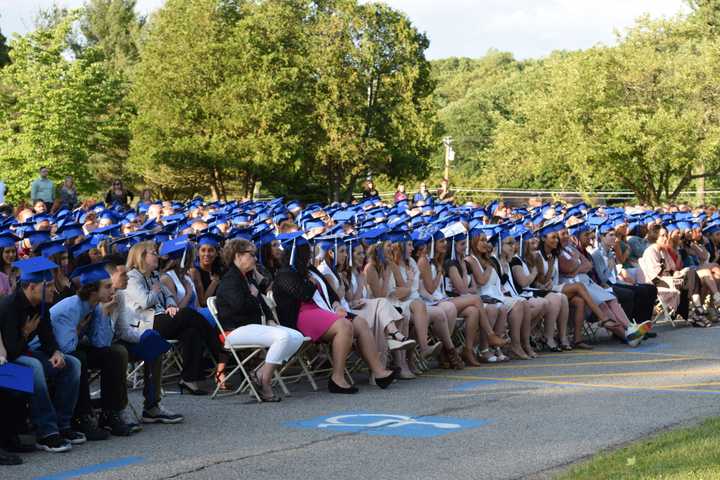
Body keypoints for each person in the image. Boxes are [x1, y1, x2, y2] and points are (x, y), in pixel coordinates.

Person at [273, 234, 395, 393]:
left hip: (321, 310)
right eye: (306, 253)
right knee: (344, 326)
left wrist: (337, 304)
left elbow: (329, 291)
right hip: (300, 316)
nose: (310, 255)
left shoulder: (309, 269)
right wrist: (310, 283)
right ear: (297, 254)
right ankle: (337, 378)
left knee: (360, 323)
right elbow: (303, 294)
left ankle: (379, 372)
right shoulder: (284, 274)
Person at [0, 257, 82, 453]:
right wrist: (26, 333)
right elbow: (11, 351)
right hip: (7, 362)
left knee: (72, 364)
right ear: (31, 287)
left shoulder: (41, 305)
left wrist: (55, 352)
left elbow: (47, 336)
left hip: (23, 353)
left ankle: (63, 425)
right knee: (34, 368)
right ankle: (47, 432)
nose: (54, 290)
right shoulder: (9, 306)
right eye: (48, 285)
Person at [124, 241, 222, 396]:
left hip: (161, 318)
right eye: (153, 253)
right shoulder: (132, 277)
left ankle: (189, 379)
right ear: (141, 256)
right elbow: (145, 301)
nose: (158, 256)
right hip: (145, 324)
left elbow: (169, 296)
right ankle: (220, 352)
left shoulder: (154, 275)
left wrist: (170, 305)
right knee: (187, 314)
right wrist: (156, 291)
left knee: (191, 332)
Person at [215, 239, 304, 401]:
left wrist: (270, 319)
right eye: (252, 255)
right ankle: (265, 382)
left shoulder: (247, 277)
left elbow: (262, 302)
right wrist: (253, 295)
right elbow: (238, 308)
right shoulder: (230, 279)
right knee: (283, 337)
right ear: (239, 256)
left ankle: (259, 372)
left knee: (296, 337)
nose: (255, 259)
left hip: (252, 327)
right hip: (234, 330)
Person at [89, 255, 171, 427]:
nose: (127, 278)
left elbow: (123, 329)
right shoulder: (95, 299)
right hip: (96, 346)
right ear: (108, 278)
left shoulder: (119, 296)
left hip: (114, 340)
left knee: (152, 346)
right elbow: (98, 340)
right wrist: (105, 312)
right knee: (119, 353)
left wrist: (144, 336)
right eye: (123, 275)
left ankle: (152, 406)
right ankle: (120, 409)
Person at [48, 263, 125, 440]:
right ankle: (81, 416)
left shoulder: (95, 306)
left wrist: (105, 314)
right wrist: (78, 329)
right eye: (107, 287)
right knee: (79, 357)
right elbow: (66, 347)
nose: (112, 289)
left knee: (112, 354)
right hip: (50, 351)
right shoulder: (70, 308)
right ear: (92, 291)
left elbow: (101, 343)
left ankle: (109, 413)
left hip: (71, 346)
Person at [189, 233, 223, 308]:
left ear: (217, 253)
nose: (206, 254)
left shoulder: (219, 270)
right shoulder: (194, 271)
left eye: (211, 250)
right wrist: (214, 282)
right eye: (203, 250)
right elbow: (203, 302)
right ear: (198, 252)